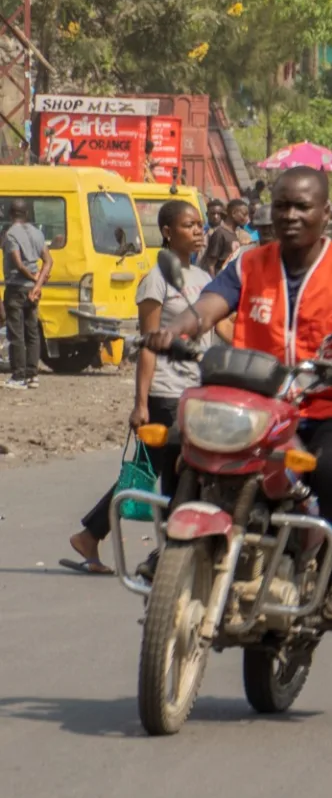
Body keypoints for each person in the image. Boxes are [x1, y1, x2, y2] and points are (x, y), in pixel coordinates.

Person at [144, 166, 332, 621]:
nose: (290, 215)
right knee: (181, 444)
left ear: (326, 214)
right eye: (281, 206)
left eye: (302, 207)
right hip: (253, 401)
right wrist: (172, 331)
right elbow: (204, 309)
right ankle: (174, 549)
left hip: (324, 404)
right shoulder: (249, 263)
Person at [67, 201, 210, 574]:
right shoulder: (156, 280)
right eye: (188, 225)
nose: (198, 231)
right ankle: (164, 557)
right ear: (167, 231)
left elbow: (221, 332)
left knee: (150, 473)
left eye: (200, 224)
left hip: (196, 392)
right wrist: (140, 403)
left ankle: (91, 535)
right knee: (174, 475)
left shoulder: (204, 279)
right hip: (165, 393)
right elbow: (148, 344)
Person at [3, 199, 51, 390]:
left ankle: (18, 376)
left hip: (16, 288)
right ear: (26, 214)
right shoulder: (36, 232)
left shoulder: (11, 234)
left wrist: (31, 278)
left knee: (16, 333)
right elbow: (48, 261)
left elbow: (18, 263)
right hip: (33, 291)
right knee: (32, 332)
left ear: (11, 214)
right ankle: (33, 375)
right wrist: (37, 285)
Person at [202, 197, 243, 274]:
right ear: (207, 214)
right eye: (213, 213)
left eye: (218, 214)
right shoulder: (201, 232)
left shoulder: (230, 233)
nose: (216, 217)